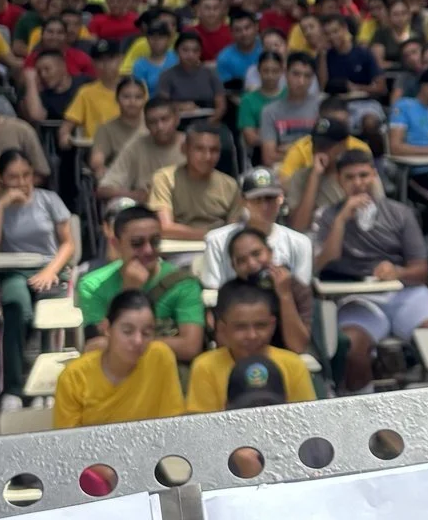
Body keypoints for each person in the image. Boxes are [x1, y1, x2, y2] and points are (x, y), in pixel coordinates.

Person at [310, 150, 428, 391]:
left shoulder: (400, 213)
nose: (358, 183)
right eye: (350, 177)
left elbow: (422, 270)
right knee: (352, 346)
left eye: (364, 175)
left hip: (404, 295)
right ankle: (366, 416)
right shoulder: (327, 216)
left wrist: (397, 272)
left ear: (374, 176)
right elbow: (322, 264)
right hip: (356, 297)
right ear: (339, 180)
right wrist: (341, 221)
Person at [0, 149, 76, 380]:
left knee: (50, 310)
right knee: (16, 308)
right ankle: (13, 387)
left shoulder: (49, 200)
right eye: (13, 177)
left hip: (50, 269)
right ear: (1, 179)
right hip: (13, 271)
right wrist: (1, 207)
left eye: (26, 175)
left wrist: (50, 271)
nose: (22, 182)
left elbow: (68, 244)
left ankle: (47, 383)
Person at [79, 205, 208, 362]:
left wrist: (119, 342)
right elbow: (95, 346)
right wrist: (130, 291)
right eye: (137, 243)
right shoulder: (92, 285)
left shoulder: (183, 283)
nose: (148, 250)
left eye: (154, 242)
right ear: (116, 245)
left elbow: (189, 347)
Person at [53, 289, 187, 428]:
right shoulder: (74, 377)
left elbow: (173, 423)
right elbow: (68, 443)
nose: (138, 341)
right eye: (127, 331)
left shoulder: (160, 357)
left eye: (146, 333)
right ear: (107, 328)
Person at [187, 279, 317, 414]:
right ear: (223, 328)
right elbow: (203, 425)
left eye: (261, 325)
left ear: (272, 325)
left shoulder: (293, 365)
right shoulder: (205, 366)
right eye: (241, 327)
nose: (252, 335)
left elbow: (306, 417)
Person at [201, 168, 314, 287]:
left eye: (270, 198)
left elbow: (301, 295)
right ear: (243, 201)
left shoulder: (300, 243)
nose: (265, 206)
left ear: (280, 198)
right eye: (257, 199)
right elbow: (213, 291)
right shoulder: (217, 241)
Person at [150, 126, 242, 239]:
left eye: (214, 150)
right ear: (184, 149)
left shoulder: (230, 185)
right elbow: (165, 228)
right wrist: (210, 236)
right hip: (177, 249)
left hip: (218, 247)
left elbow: (234, 230)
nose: (207, 157)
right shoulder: (165, 178)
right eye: (199, 149)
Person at [103, 97, 187, 203]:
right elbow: (104, 189)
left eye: (165, 119)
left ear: (177, 119)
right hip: (146, 213)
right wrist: (133, 195)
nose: (160, 126)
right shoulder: (136, 147)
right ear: (146, 124)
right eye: (153, 122)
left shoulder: (193, 145)